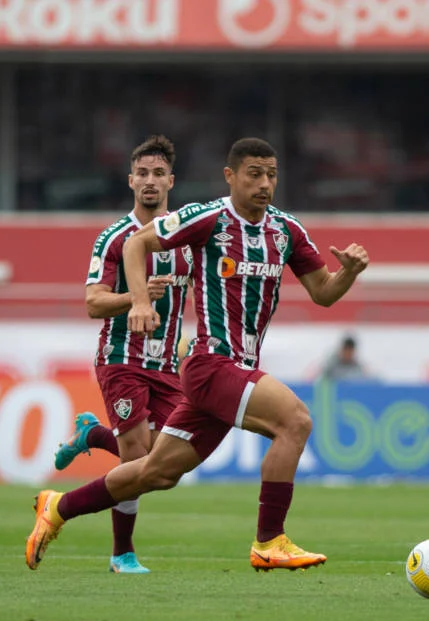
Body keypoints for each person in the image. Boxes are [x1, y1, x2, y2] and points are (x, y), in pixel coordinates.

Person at [25, 138, 369, 573]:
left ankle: (58, 508)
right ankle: (269, 540)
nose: (264, 184)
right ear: (231, 176)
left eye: (271, 175)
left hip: (229, 368)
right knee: (295, 421)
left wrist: (349, 274)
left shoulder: (285, 230)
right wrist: (140, 302)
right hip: (211, 364)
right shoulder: (207, 218)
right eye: (254, 174)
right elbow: (136, 245)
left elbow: (323, 293)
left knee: (156, 473)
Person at [52, 135, 191, 574]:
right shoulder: (114, 238)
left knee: (167, 465)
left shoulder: (189, 238)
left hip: (167, 365)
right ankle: (121, 554)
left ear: (171, 180)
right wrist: (136, 297)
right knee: (135, 458)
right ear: (131, 181)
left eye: (158, 174)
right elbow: (94, 302)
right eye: (142, 174)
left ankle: (91, 437)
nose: (150, 182)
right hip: (121, 357)